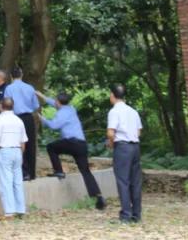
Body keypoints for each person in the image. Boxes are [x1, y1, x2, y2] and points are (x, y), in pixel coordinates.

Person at [36, 90, 106, 210]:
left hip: (71, 143)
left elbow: (53, 126)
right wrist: (42, 96)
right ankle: (98, 197)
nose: (55, 103)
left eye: (56, 101)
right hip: (81, 144)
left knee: (51, 147)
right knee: (86, 171)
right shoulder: (71, 108)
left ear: (59, 102)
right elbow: (53, 102)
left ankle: (59, 171)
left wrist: (40, 117)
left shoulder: (62, 113)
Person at [107, 83, 143, 224]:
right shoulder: (133, 111)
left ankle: (125, 215)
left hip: (122, 147)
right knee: (135, 181)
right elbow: (139, 131)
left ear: (112, 95)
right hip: (135, 147)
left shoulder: (114, 111)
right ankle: (136, 215)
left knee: (123, 181)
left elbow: (111, 132)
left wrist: (111, 142)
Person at [0, 97, 28, 218]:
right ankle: (21, 209)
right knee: (17, 182)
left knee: (6, 182)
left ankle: (10, 211)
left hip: (4, 151)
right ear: (12, 106)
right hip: (17, 151)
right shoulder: (19, 121)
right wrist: (21, 154)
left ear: (0, 106)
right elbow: (23, 142)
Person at [2, 67, 39, 180]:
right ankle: (32, 173)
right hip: (28, 118)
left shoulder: (9, 88)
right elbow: (36, 106)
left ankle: (23, 172)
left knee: (18, 145)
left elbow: (7, 104)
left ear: (11, 76)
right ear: (21, 75)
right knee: (30, 144)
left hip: (15, 118)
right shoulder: (30, 88)